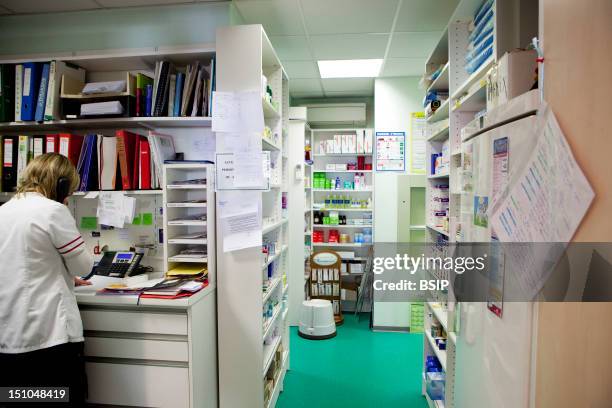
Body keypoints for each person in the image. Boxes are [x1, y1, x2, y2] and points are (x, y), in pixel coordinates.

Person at [0, 153, 93, 406]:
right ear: (61, 185)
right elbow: (83, 265)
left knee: (18, 399)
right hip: (49, 337)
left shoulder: (4, 211)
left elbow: (21, 265)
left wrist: (58, 273)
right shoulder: (53, 211)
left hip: (9, 338)